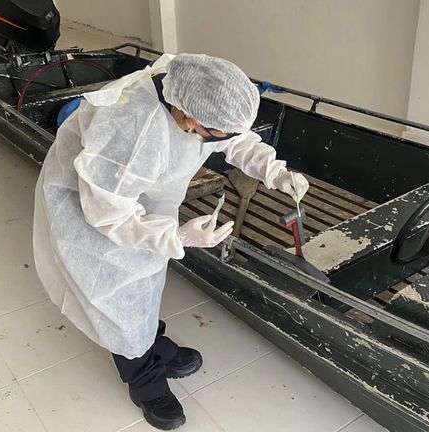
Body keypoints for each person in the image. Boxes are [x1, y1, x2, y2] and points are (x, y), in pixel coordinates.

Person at [32, 53, 309, 430]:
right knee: (117, 297)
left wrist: (274, 172)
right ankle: (144, 382)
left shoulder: (191, 88)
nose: (224, 141)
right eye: (216, 134)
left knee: (143, 285)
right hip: (97, 214)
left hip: (141, 202)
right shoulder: (132, 128)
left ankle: (153, 342)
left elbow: (233, 137)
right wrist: (176, 235)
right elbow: (108, 214)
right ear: (192, 120)